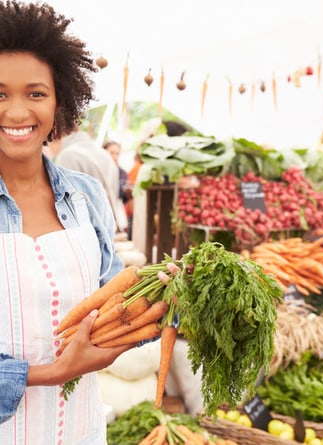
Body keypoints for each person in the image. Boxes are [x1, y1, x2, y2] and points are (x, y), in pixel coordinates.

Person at [0, 1, 151, 442]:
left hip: (81, 428)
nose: (16, 112)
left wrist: (166, 294)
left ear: (59, 101)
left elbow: (115, 302)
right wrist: (53, 371)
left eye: (35, 93)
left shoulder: (84, 196)